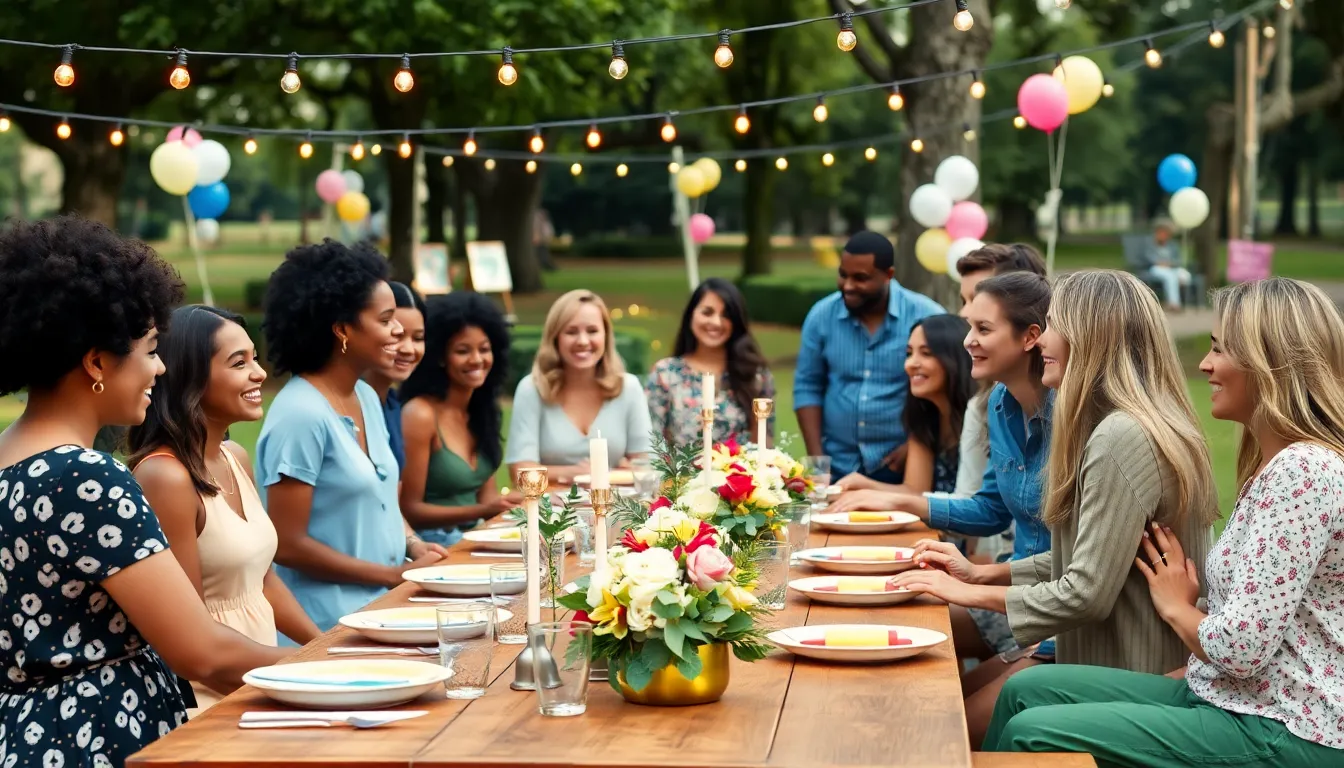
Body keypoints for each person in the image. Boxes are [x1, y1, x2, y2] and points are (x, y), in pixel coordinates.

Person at [984, 277, 1344, 767]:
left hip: (1283, 728)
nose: (1204, 364)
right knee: (1025, 691)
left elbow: (1242, 647)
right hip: (1231, 698)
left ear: (1270, 361)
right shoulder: (1273, 466)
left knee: (1035, 731)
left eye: (1220, 350)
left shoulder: (1305, 472)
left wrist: (1178, 608)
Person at [0, 217, 287, 767]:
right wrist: (332, 671)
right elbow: (200, 650)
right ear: (97, 362)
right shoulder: (86, 479)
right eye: (151, 349)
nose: (160, 368)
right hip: (103, 735)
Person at [893, 271, 1218, 747]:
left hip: (1129, 669)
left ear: (1092, 336)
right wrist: (980, 575)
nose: (1040, 339)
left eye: (1054, 324)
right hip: (1105, 659)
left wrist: (965, 593)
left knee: (942, 728)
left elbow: (1087, 590)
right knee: (944, 706)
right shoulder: (1115, 424)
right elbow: (1093, 558)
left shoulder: (1118, 435)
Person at [830, 272, 1054, 668]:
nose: (968, 339)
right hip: (1019, 603)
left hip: (1050, 620)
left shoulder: (1069, 418)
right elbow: (989, 509)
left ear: (1030, 337)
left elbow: (1081, 574)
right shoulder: (999, 404)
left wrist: (975, 579)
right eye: (969, 326)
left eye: (982, 328)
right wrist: (895, 498)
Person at [126, 306, 321, 716]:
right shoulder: (166, 477)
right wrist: (295, 682)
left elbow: (262, 580)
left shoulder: (235, 456)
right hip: (214, 697)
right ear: (190, 376)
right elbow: (189, 636)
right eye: (239, 363)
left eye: (254, 357)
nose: (259, 373)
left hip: (264, 677)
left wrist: (324, 645)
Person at [255, 240, 446, 639]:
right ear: (342, 329)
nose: (398, 330)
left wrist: (413, 546)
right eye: (386, 319)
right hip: (326, 629)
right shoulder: (300, 415)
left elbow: (381, 502)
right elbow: (287, 545)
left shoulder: (364, 395)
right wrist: (393, 574)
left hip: (382, 613)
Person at [794, 231, 942, 481]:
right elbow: (808, 386)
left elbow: (946, 392)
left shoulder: (927, 316)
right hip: (837, 465)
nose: (848, 285)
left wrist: (915, 447)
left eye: (860, 278)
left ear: (889, 275)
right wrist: (817, 463)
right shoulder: (821, 316)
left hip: (903, 466)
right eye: (843, 274)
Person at [399, 293, 519, 546]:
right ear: (440, 356)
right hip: (432, 545)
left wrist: (525, 502)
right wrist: (480, 511)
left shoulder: (482, 410)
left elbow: (489, 500)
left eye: (484, 349)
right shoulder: (420, 414)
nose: (476, 359)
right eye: (463, 351)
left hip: (476, 538)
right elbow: (409, 510)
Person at [506, 290, 651, 487]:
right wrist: (574, 473)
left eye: (592, 331)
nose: (583, 341)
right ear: (555, 337)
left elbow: (646, 465)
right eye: (571, 332)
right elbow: (520, 473)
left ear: (606, 336)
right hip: (550, 511)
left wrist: (548, 471)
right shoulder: (532, 389)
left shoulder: (629, 388)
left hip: (618, 506)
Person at [831, 314, 972, 495]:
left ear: (955, 359)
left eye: (926, 353)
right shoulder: (926, 418)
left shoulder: (982, 420)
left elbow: (973, 511)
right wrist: (862, 485)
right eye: (909, 353)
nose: (910, 364)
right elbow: (914, 491)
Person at [646, 277, 775, 448]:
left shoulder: (754, 374)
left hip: (738, 473)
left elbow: (764, 447)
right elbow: (651, 443)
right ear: (691, 314)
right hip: (682, 474)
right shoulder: (666, 374)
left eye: (726, 315)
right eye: (707, 312)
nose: (716, 322)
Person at [362, 282, 427, 471]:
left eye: (418, 338)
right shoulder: (347, 406)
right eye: (397, 335)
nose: (408, 349)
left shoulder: (392, 405)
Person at [1141, 218, 1191, 311]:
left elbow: (1178, 260)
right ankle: (1174, 304)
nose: (1162, 235)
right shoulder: (1150, 245)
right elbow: (1147, 258)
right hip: (1156, 268)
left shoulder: (1173, 246)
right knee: (1170, 277)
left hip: (1171, 268)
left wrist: (1170, 264)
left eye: (1165, 233)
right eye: (1160, 233)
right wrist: (1159, 263)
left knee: (1185, 276)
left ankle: (1184, 301)